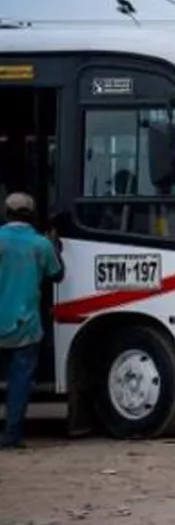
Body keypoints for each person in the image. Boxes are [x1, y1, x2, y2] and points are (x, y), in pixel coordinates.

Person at [0, 192, 63, 449]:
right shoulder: (40, 245)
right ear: (32, 215)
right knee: (20, 382)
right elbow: (57, 275)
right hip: (26, 326)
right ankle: (12, 436)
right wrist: (55, 247)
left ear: (6, 213)